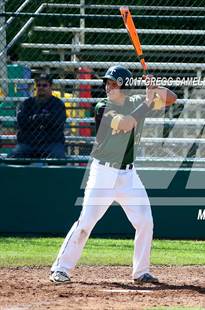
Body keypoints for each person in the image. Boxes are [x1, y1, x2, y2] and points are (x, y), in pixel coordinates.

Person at [49, 65, 177, 284]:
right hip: (103, 173)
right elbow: (126, 124)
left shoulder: (136, 101)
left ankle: (141, 271)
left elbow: (172, 99)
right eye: (107, 82)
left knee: (145, 221)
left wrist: (155, 88)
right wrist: (148, 100)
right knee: (86, 223)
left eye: (114, 83)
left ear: (124, 86)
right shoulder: (103, 107)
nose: (108, 87)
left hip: (128, 174)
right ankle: (61, 268)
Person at [8, 73, 66, 158]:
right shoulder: (27, 103)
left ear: (51, 87)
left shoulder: (58, 104)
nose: (41, 87)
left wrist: (33, 119)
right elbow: (21, 122)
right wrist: (45, 119)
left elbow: (57, 122)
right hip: (29, 144)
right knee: (12, 157)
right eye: (38, 85)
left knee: (59, 157)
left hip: (51, 144)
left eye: (44, 85)